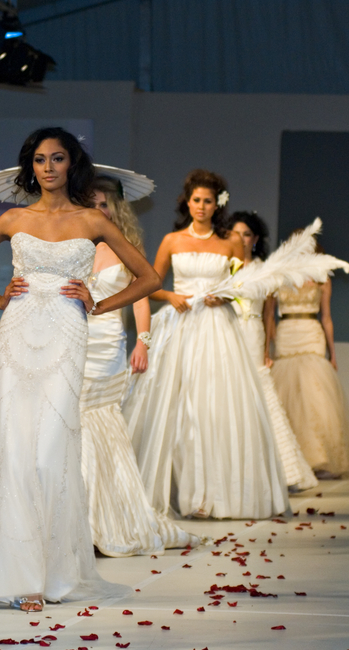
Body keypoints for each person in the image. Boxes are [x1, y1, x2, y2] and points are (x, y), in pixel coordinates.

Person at [0, 126, 155, 610]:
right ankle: (24, 579)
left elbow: (149, 277)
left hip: (66, 334)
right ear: (30, 166)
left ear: (71, 164)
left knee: (49, 454)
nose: (48, 167)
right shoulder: (13, 218)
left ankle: (54, 571)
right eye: (39, 159)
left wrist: (99, 302)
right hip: (17, 334)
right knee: (17, 454)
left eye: (57, 158)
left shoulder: (93, 220)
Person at [123, 170, 289, 521]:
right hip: (179, 326)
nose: (201, 206)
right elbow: (149, 284)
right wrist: (171, 295)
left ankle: (212, 494)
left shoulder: (230, 242)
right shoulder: (171, 240)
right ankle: (181, 492)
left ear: (218, 205)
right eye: (196, 200)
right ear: (187, 202)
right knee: (176, 409)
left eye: (208, 201)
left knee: (214, 408)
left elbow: (245, 285)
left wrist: (226, 296)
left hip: (217, 330)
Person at [80, 176, 197, 557]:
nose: (99, 210)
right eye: (91, 203)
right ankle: (80, 521)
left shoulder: (125, 245)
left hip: (108, 345)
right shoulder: (73, 243)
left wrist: (142, 342)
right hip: (74, 340)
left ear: (115, 208)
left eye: (104, 204)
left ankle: (101, 521)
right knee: (76, 425)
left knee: (99, 421)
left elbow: (141, 296)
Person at [229, 212, 317, 492]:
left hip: (253, 332)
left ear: (255, 239)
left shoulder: (265, 269)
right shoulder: (224, 266)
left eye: (246, 234)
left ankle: (282, 471)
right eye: (236, 233)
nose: (241, 239)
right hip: (227, 331)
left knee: (260, 394)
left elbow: (269, 314)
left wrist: (267, 349)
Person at [267, 236, 349, 479]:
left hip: (311, 334)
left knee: (314, 396)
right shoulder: (279, 277)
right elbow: (269, 317)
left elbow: (326, 317)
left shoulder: (321, 279)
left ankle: (319, 458)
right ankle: (288, 459)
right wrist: (268, 346)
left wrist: (333, 353)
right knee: (286, 395)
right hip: (287, 334)